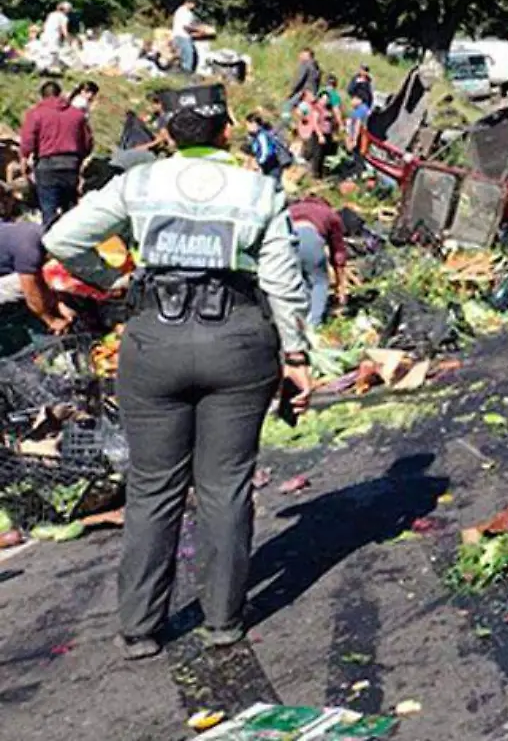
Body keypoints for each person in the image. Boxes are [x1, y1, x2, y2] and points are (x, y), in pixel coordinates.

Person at [43, 89, 313, 660]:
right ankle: (222, 621)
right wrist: (296, 357)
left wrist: (111, 279)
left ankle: (140, 628)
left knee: (153, 486)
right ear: (225, 133)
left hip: (155, 340)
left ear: (166, 132)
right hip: (238, 341)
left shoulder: (138, 183)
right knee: (226, 485)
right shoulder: (259, 189)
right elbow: (285, 283)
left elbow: (61, 238)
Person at [0, 202, 75, 354]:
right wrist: (51, 320)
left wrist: (59, 302)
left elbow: (49, 277)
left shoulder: (38, 233)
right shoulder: (30, 250)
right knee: (26, 285)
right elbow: (31, 291)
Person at [20, 79, 94, 224]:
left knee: (49, 210)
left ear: (42, 96)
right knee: (70, 210)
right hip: (71, 165)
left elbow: (28, 140)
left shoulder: (35, 114)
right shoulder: (77, 115)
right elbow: (88, 142)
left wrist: (24, 158)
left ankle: (49, 241)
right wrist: (79, 160)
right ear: (60, 94)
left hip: (47, 165)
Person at [288, 193, 347, 329]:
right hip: (308, 235)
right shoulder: (330, 214)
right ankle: (313, 325)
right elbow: (338, 253)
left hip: (284, 238)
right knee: (319, 282)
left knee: (296, 281)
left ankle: (292, 323)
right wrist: (340, 285)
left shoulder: (292, 208)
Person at [170, 0, 214, 75]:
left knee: (183, 56)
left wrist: (200, 28)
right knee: (188, 54)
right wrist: (200, 30)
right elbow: (185, 26)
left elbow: (192, 24)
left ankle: (182, 72)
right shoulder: (182, 12)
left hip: (185, 36)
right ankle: (186, 73)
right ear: (188, 3)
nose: (194, 6)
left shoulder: (188, 13)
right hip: (181, 36)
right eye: (193, 4)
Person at [244, 113, 289, 182]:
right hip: (268, 166)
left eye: (248, 125)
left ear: (254, 124)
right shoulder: (255, 136)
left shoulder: (262, 135)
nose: (247, 127)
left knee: (273, 186)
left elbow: (265, 152)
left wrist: (258, 163)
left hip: (271, 166)